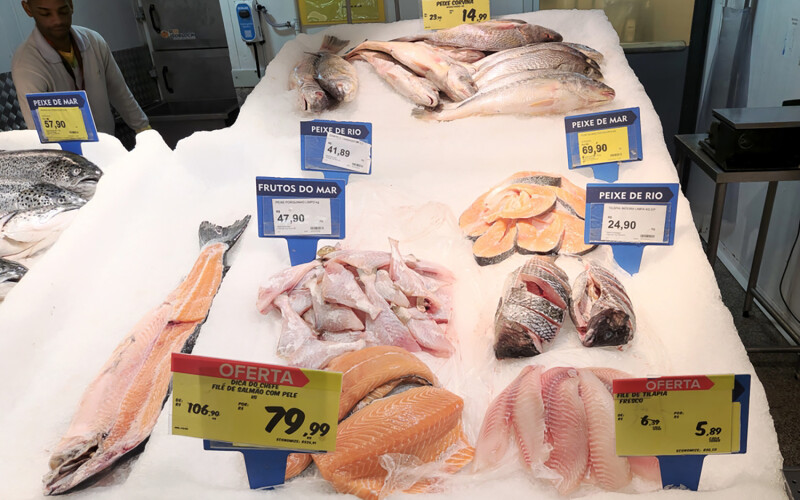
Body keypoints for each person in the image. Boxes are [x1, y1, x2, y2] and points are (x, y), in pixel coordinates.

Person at [11, 0, 150, 136]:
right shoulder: (26, 64)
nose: (57, 20)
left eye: (63, 11)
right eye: (45, 14)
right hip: (68, 149)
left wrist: (144, 130)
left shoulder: (94, 41)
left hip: (107, 143)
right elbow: (40, 129)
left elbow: (119, 92)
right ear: (28, 9)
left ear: (71, 5)